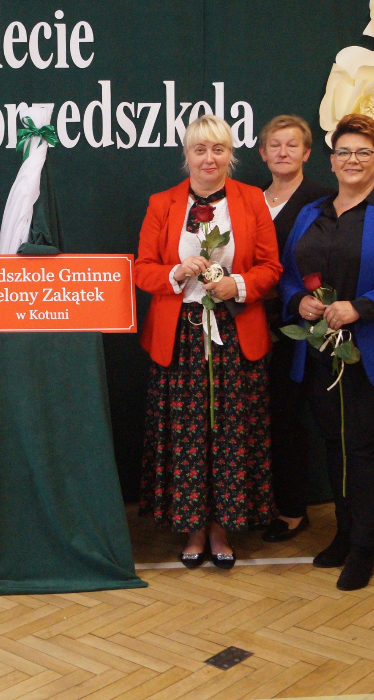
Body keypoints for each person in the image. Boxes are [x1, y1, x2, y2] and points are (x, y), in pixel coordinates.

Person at [278, 113, 374, 591]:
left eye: (363, 152)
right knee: (336, 444)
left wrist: (359, 308)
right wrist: (297, 301)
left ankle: (364, 548)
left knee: (366, 449)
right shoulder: (311, 212)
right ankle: (344, 536)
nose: (352, 160)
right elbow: (289, 273)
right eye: (344, 152)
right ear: (331, 160)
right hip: (321, 352)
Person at [136, 114, 282, 568]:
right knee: (187, 435)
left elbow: (272, 269)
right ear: (187, 155)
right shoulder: (162, 203)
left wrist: (237, 284)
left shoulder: (252, 200)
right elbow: (141, 270)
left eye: (218, 149)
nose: (209, 158)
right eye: (200, 149)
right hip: (179, 336)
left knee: (230, 433)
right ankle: (193, 527)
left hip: (235, 334)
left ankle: (222, 527)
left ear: (230, 155)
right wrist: (175, 273)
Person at [259, 115, 334, 542]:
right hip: (250, 320)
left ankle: (291, 508)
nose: (283, 152)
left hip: (302, 324)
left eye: (292, 145)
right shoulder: (248, 199)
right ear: (263, 153)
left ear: (307, 153)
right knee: (260, 417)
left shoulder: (323, 200)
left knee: (290, 418)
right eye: (275, 144)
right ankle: (257, 501)